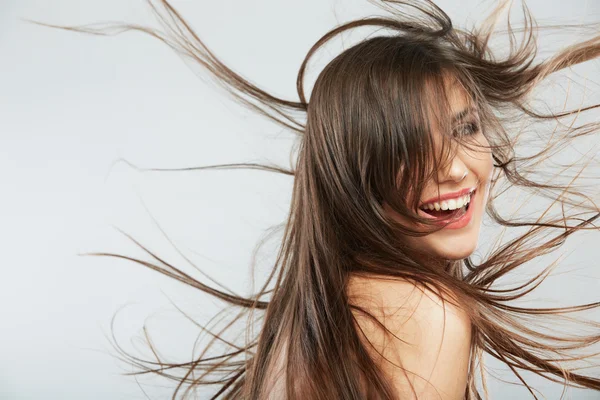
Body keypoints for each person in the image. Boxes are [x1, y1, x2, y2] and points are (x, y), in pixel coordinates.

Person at [33, 0, 600, 398]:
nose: (454, 168)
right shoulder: (421, 310)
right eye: (405, 149)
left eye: (467, 127)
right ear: (352, 175)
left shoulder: (323, 307)